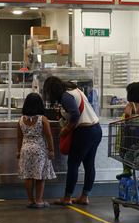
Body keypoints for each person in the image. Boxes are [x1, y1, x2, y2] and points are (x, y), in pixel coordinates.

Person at [42, 76, 101, 206]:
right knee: (89, 165)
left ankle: (67, 197)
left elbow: (75, 114)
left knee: (73, 164)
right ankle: (85, 196)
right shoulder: (75, 90)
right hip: (96, 129)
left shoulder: (66, 96)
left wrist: (66, 130)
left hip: (84, 132)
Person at [16, 93, 56, 208]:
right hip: (40, 150)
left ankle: (30, 200)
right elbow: (48, 136)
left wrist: (18, 151)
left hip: (25, 150)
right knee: (39, 175)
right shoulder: (42, 119)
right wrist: (52, 150)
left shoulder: (21, 120)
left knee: (28, 176)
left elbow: (19, 137)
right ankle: (39, 201)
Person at [116, 82, 139, 179]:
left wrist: (128, 120)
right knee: (138, 150)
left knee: (125, 149)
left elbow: (127, 114)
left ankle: (126, 169)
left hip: (129, 131)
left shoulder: (131, 105)